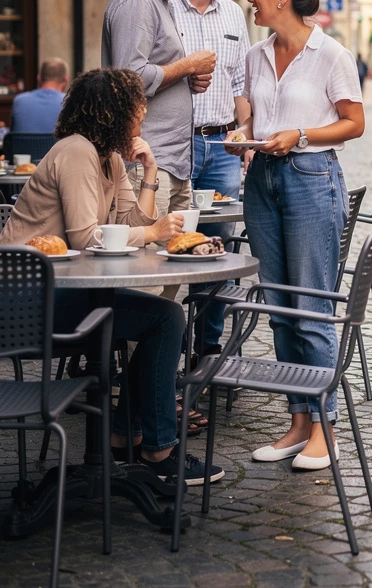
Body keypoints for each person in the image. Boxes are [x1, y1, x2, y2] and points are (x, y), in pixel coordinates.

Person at [0, 68, 225, 485]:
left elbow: (129, 224)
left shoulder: (110, 158)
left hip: (64, 290)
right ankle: (156, 450)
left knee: (162, 317)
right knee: (164, 318)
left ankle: (124, 436)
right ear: (115, 112)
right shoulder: (76, 152)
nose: (143, 115)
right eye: (138, 108)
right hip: (22, 302)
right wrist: (154, 233)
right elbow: (86, 237)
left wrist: (150, 172)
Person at [224, 0, 364, 470]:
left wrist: (300, 135)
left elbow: (354, 123)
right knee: (280, 308)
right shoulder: (256, 54)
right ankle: (299, 421)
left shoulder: (332, 54)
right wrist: (243, 135)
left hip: (311, 179)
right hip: (262, 180)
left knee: (311, 306)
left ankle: (326, 428)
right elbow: (253, 118)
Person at [102, 0, 217, 224]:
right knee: (148, 252)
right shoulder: (136, 0)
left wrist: (185, 78)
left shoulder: (159, 0)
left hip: (171, 164)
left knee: (174, 253)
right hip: (147, 163)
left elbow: (153, 69)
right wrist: (188, 66)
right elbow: (130, 78)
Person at [171, 0, 251, 361]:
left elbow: (241, 84)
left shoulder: (234, 14)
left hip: (221, 148)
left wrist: (245, 133)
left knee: (218, 252)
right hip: (175, 146)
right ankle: (162, 351)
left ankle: (207, 351)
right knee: (165, 247)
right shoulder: (166, 7)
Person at [11, 57, 69, 134]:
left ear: (38, 78)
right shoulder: (68, 103)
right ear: (65, 80)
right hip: (57, 142)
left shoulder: (19, 101)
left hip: (24, 143)